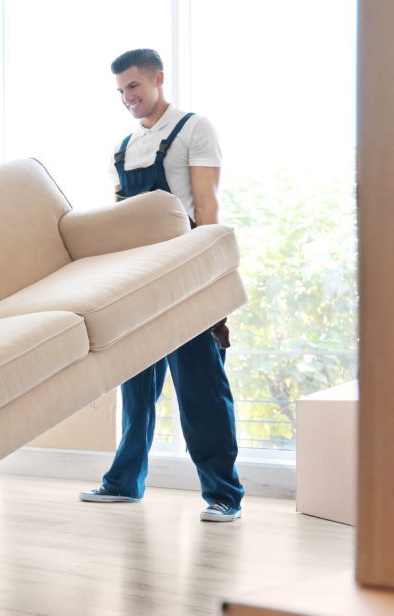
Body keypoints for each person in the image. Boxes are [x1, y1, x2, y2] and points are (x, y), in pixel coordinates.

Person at [78, 49, 245, 522]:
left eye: (133, 87)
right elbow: (122, 222)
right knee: (136, 385)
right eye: (120, 91)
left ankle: (224, 494)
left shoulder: (194, 129)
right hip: (138, 277)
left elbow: (207, 208)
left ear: (157, 79)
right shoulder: (124, 148)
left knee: (200, 386)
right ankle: (125, 482)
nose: (127, 99)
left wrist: (211, 279)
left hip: (186, 273)